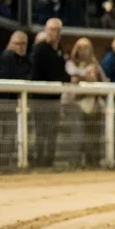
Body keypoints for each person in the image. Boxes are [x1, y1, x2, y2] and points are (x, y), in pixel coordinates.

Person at [28, 18, 69, 167]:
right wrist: (71, 77)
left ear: (60, 32)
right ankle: (39, 161)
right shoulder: (42, 49)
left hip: (53, 99)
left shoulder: (58, 50)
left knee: (52, 132)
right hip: (40, 98)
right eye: (50, 29)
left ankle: (48, 161)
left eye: (55, 30)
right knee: (41, 132)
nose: (52, 33)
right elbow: (56, 74)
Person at [64, 37, 106, 167]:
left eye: (86, 47)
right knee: (77, 135)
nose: (83, 50)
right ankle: (74, 163)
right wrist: (85, 76)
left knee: (93, 135)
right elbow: (71, 77)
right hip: (75, 104)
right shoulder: (70, 63)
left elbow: (104, 82)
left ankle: (93, 162)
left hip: (93, 104)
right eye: (81, 47)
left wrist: (93, 80)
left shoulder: (96, 65)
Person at [0, 31, 31, 166]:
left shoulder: (24, 60)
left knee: (8, 136)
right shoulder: (7, 57)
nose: (20, 47)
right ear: (10, 43)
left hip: (11, 104)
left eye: (23, 44)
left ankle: (1, 163)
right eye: (17, 43)